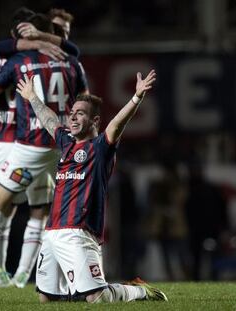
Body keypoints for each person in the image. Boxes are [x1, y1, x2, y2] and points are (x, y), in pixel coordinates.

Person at [0, 13, 88, 288]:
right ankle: (30, 275)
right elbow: (84, 102)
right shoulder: (71, 62)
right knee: (51, 212)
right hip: (60, 144)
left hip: (28, 145)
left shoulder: (17, 61)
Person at [15, 70, 167, 303]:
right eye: (72, 114)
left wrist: (136, 98)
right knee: (46, 299)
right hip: (52, 232)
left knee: (97, 297)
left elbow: (117, 123)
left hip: (79, 231)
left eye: (80, 114)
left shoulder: (100, 148)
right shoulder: (66, 142)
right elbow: (49, 120)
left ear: (95, 121)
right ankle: (78, 292)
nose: (73, 118)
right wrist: (33, 97)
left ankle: (138, 291)